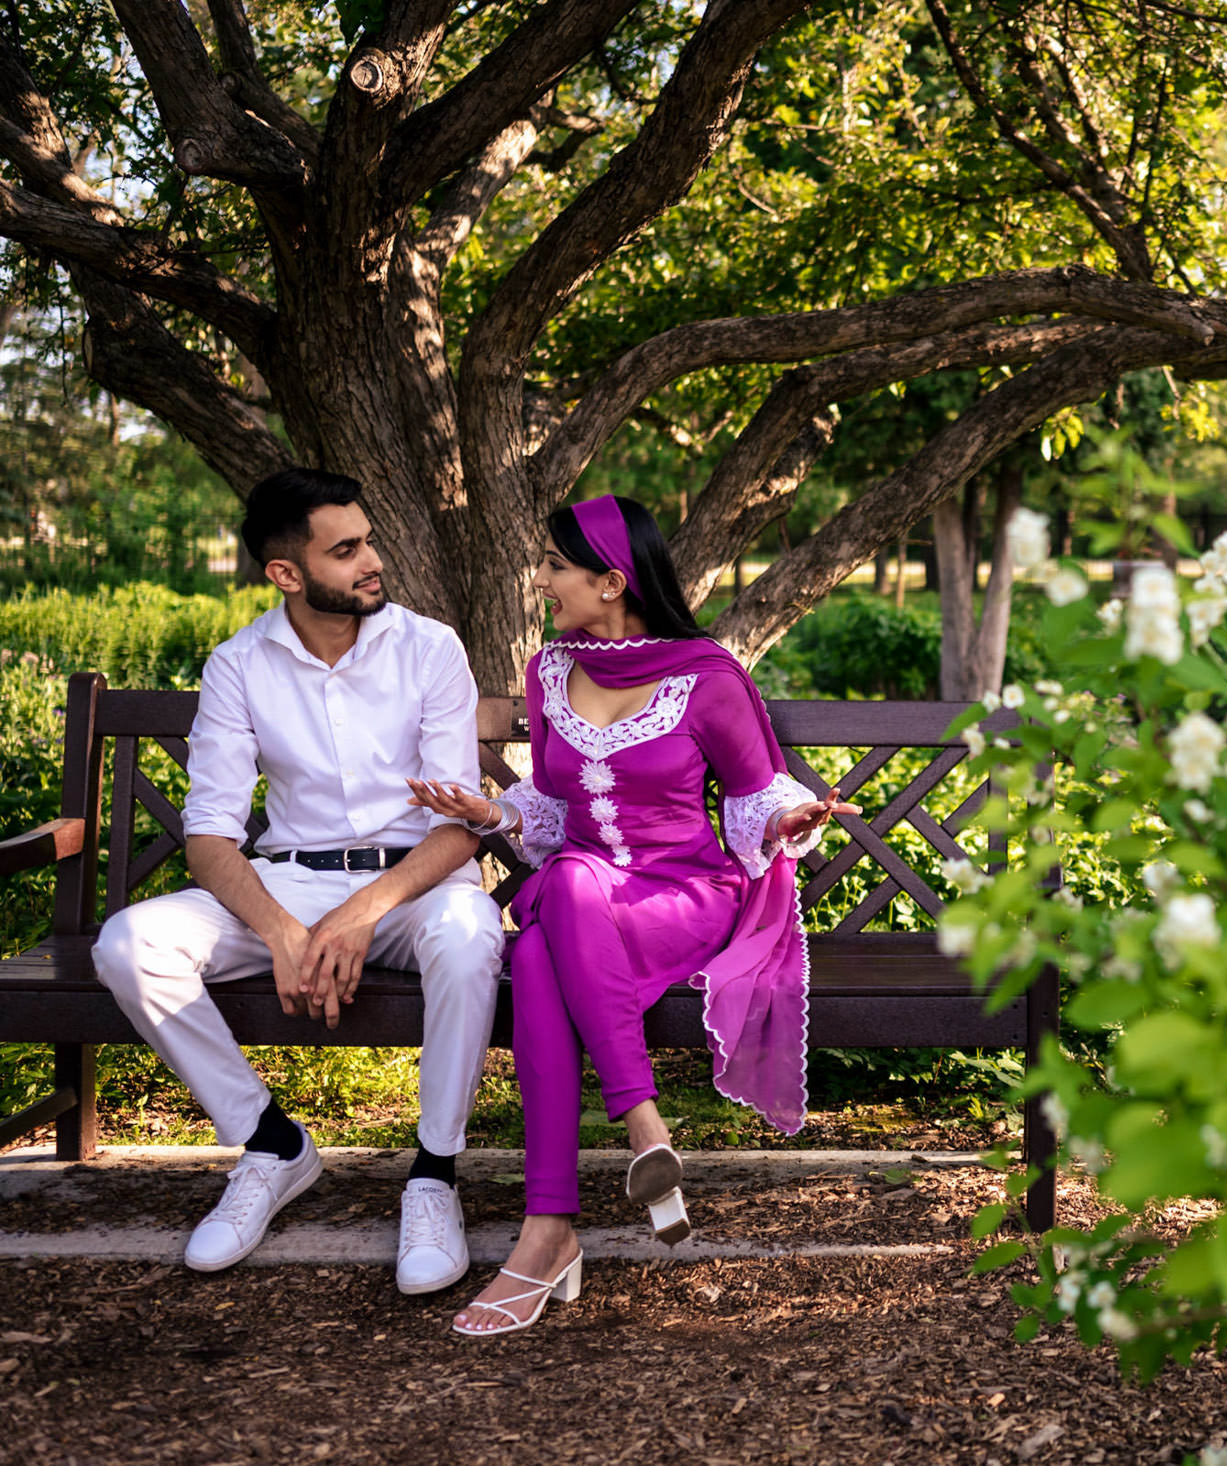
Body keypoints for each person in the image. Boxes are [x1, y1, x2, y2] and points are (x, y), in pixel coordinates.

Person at [410, 495, 853, 1338]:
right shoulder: (549, 674)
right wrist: (488, 809)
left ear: (611, 581)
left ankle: (595, 1173)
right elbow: (547, 803)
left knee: (563, 899)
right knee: (541, 944)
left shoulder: (707, 676)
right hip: (586, 901)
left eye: (554, 567)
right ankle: (575, 1199)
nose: (540, 581)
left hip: (683, 895)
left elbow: (756, 796)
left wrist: (788, 822)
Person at [91, 468, 504, 1291]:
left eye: (368, 540)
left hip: (410, 892)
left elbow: (458, 827)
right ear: (287, 573)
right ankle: (274, 1144)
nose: (371, 561)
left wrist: (359, 913)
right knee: (129, 943)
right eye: (346, 550)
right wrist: (284, 931)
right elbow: (209, 837)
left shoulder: (431, 648)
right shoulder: (239, 665)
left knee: (469, 936)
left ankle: (433, 1174)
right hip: (285, 885)